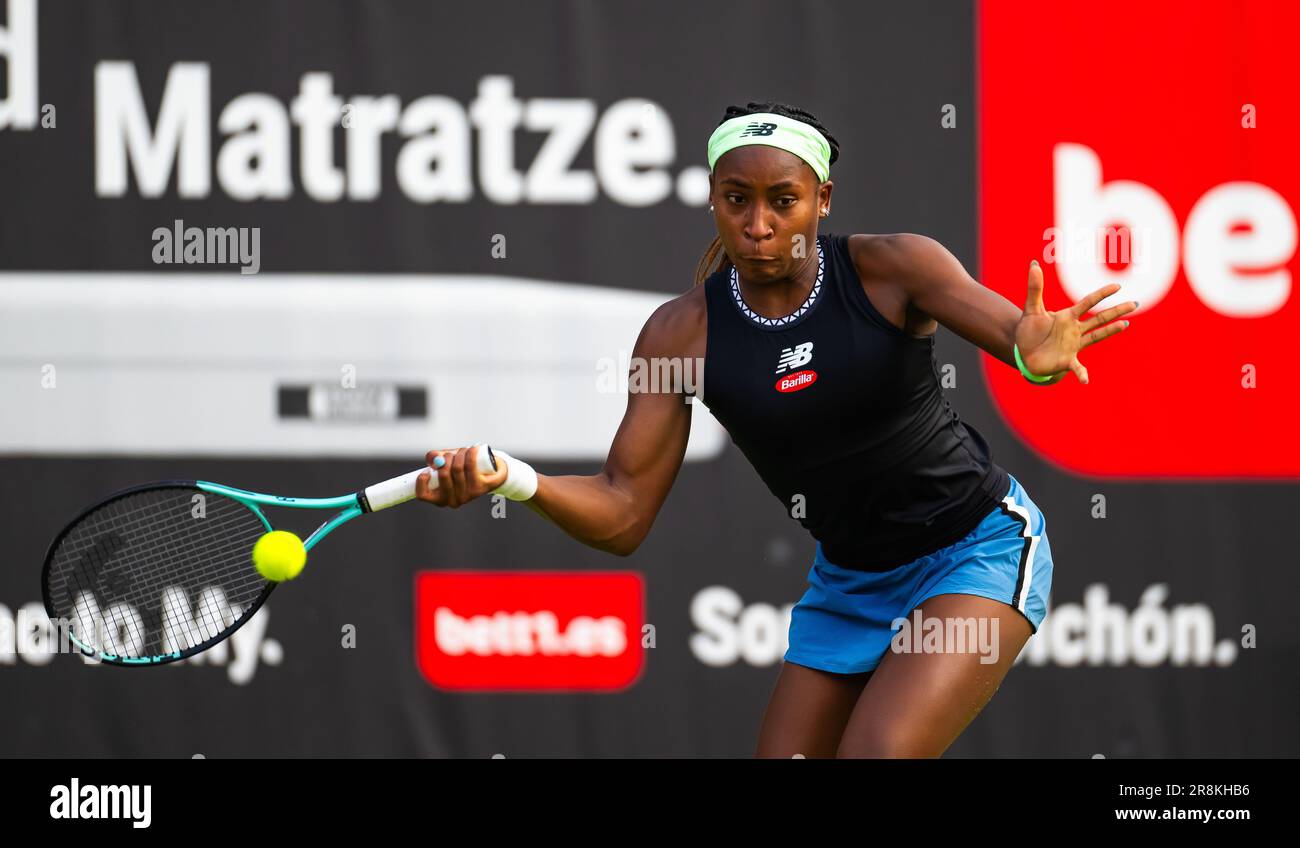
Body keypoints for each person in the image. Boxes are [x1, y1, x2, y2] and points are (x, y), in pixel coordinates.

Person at [414, 101, 1137, 757]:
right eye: (737, 201)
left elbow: (1018, 339)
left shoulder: (894, 268)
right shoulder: (680, 336)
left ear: (821, 199)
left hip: (973, 551)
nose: (758, 227)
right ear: (712, 199)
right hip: (850, 584)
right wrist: (513, 476)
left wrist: (1031, 353)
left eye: (783, 202)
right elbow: (623, 511)